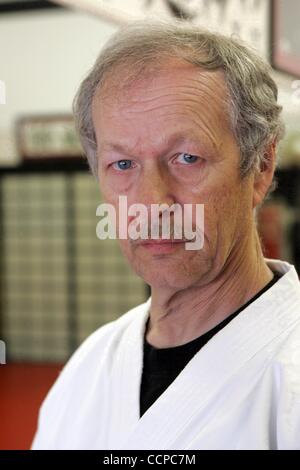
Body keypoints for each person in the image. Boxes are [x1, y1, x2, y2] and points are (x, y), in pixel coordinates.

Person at [31, 19, 300, 450]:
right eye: (122, 165)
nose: (153, 203)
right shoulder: (91, 366)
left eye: (187, 158)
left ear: (260, 167)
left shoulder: (289, 383)